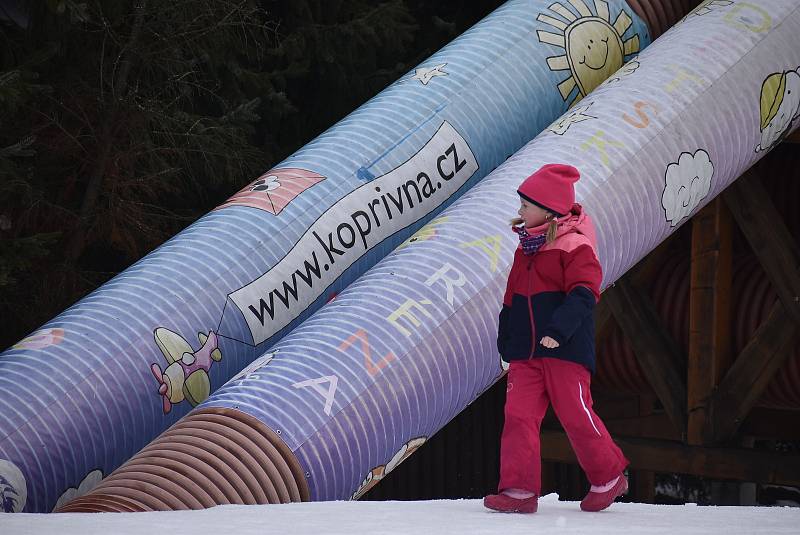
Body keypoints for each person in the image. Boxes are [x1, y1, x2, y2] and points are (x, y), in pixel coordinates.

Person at [484, 163, 629, 514]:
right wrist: (507, 339)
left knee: (574, 413)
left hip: (564, 350)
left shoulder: (575, 245)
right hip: (527, 354)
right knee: (518, 415)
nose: (519, 212)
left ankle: (609, 477)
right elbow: (511, 300)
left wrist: (558, 331)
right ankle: (518, 490)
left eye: (525, 206)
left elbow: (584, 292)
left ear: (547, 210)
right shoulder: (525, 250)